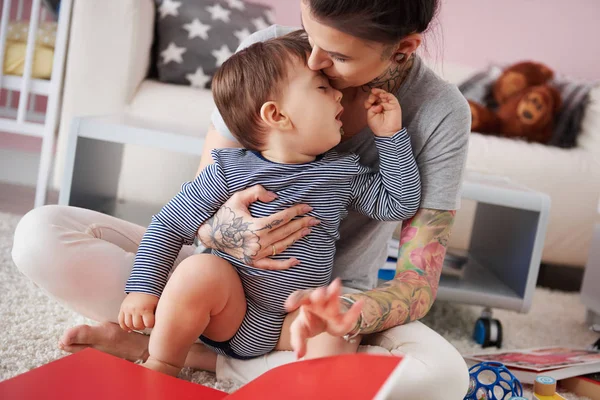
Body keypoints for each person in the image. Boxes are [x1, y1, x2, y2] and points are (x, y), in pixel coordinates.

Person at [12, 0, 471, 398]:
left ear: (402, 48)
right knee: (40, 236)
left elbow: (400, 220)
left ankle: (192, 355)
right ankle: (168, 353)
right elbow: (181, 220)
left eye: (335, 55)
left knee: (443, 377)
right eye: (307, 33)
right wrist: (199, 255)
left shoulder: (408, 130)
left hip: (320, 303)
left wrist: (392, 140)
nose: (312, 61)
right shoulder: (268, 64)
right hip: (222, 293)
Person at [126, 34, 421, 376]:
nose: (339, 93)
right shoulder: (229, 169)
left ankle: (246, 371)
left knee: (337, 324)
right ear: (277, 114)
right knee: (198, 271)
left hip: (293, 322)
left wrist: (390, 138)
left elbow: (398, 204)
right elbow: (168, 225)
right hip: (230, 313)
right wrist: (142, 291)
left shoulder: (341, 171)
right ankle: (162, 362)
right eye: (322, 89)